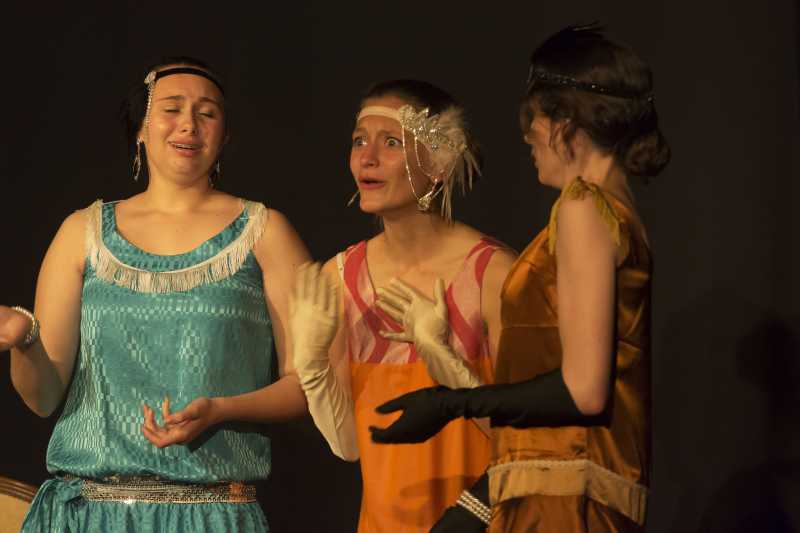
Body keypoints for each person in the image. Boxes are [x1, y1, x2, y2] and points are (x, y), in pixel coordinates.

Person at [369, 25, 671, 532]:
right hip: (551, 488)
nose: (528, 136)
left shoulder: (583, 208)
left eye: (535, 120)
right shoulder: (617, 215)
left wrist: (450, 403)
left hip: (565, 503)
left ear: (565, 124)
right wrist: (478, 504)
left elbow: (583, 391)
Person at [0, 57, 309, 532]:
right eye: (171, 108)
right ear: (141, 128)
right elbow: (42, 397)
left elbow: (308, 385)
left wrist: (221, 409)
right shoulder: (82, 232)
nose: (189, 124)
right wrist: (23, 340)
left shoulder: (266, 232)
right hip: (88, 515)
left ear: (225, 136)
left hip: (211, 515)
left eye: (207, 113)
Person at [288, 79, 517, 531]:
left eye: (391, 142)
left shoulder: (494, 274)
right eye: (359, 141)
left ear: (439, 162)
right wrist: (312, 364)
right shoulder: (340, 277)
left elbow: (530, 442)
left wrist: (444, 360)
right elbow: (351, 446)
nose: (367, 158)